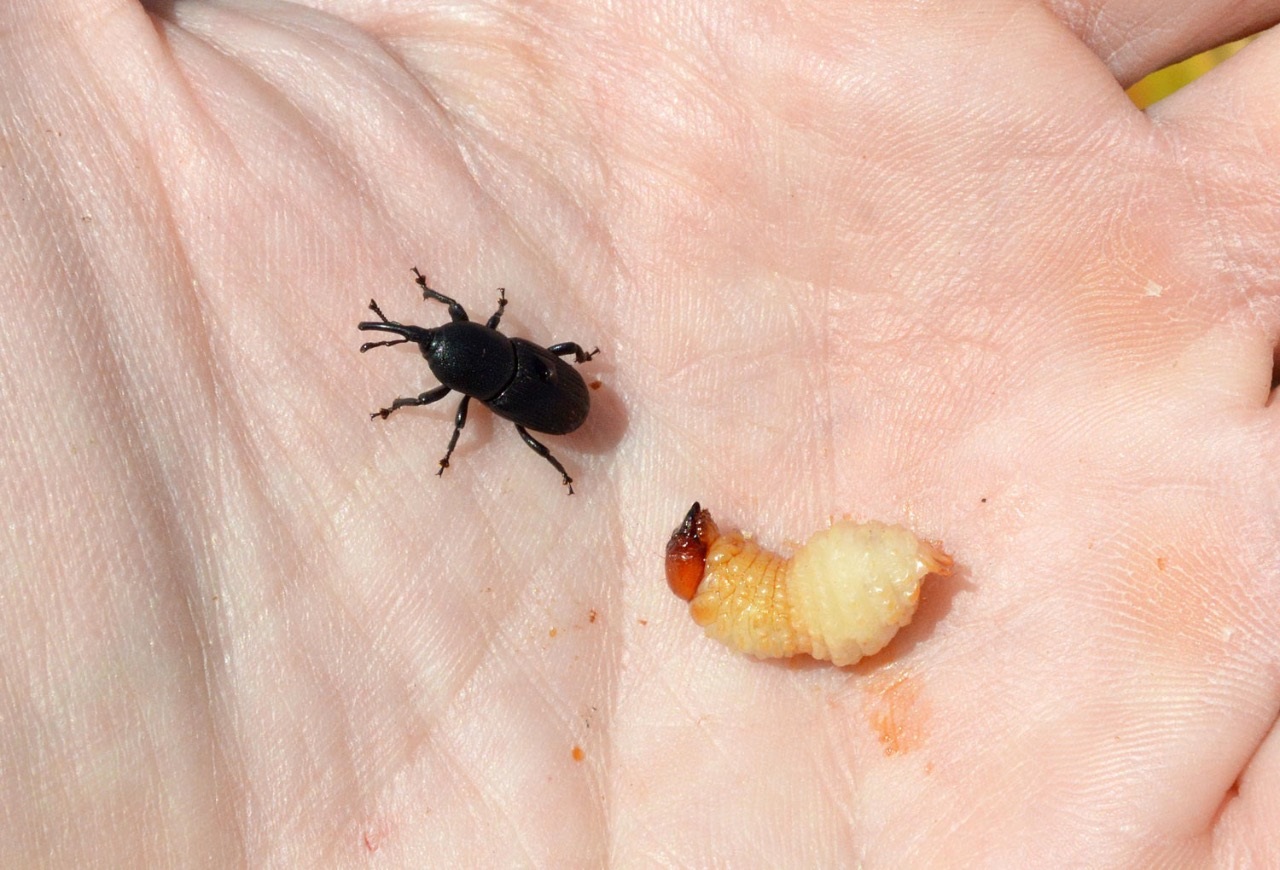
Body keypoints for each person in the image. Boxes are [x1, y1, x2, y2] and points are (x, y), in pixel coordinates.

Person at [3, 0, 1277, 863]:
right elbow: (476, 355)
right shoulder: (488, 361)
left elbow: (478, 357)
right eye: (429, 353)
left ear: (477, 350)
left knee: (506, 392)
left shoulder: (490, 365)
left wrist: (476, 386)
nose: (437, 344)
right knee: (504, 390)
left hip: (559, 403)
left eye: (433, 342)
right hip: (557, 401)